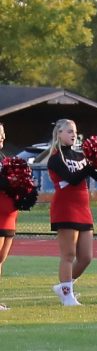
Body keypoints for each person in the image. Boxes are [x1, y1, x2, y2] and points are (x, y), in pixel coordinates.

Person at [42, 119, 93, 306]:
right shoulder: (55, 158)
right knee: (68, 255)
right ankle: (67, 294)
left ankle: (64, 286)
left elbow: (96, 175)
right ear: (59, 134)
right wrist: (90, 164)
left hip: (83, 208)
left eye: (75, 131)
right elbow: (72, 179)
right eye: (69, 131)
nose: (73, 134)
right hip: (65, 208)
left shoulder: (80, 156)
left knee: (86, 257)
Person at [0, 123, 21, 310]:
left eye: (3, 134)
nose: (2, 137)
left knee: (1, 259)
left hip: (8, 215)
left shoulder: (4, 158)